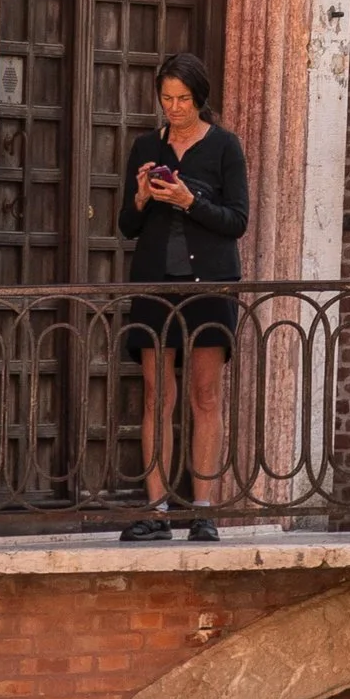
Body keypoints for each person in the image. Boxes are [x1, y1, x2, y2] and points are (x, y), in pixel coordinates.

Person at [117, 54, 248, 543]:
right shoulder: (147, 146)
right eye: (167, 99)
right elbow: (126, 227)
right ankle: (155, 510)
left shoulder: (224, 148)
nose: (174, 108)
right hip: (155, 282)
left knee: (204, 395)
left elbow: (238, 221)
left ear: (200, 99)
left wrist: (190, 201)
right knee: (157, 396)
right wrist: (141, 198)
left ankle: (204, 511)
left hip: (208, 285)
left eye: (184, 100)